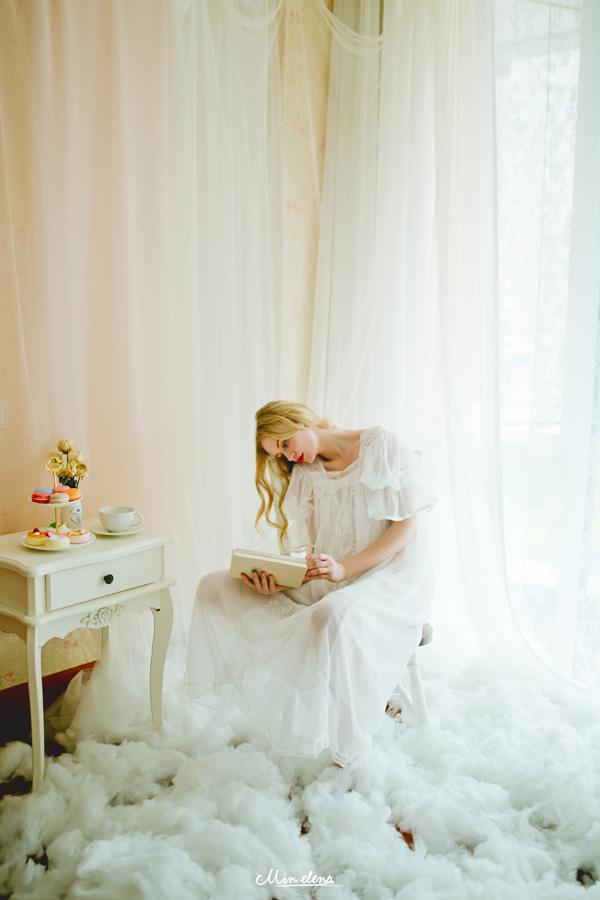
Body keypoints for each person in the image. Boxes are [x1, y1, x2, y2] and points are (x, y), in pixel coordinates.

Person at [184, 400, 437, 768]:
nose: (289, 457)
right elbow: (320, 553)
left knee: (331, 612)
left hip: (390, 580)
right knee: (214, 585)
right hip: (334, 579)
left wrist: (345, 569)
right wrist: (280, 580)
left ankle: (349, 751)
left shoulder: (380, 445)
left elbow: (407, 529)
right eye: (280, 455)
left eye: (285, 444)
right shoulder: (306, 474)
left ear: (299, 421)